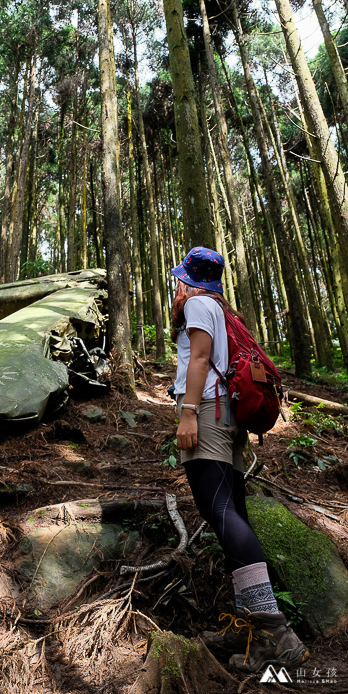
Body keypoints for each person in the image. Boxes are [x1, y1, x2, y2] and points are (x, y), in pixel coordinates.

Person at [170, 246, 308, 673]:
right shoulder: (220, 307)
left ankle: (274, 630)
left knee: (222, 513)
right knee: (232, 513)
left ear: (190, 280)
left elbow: (198, 359)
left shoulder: (195, 304)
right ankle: (249, 621)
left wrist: (189, 412)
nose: (177, 284)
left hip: (207, 411)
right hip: (227, 414)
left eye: (181, 277)